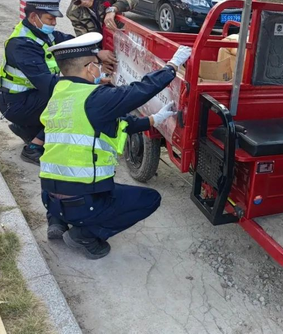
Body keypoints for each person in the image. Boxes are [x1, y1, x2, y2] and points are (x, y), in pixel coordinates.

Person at [40, 32, 192, 259]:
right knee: (150, 199)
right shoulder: (95, 97)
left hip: (49, 196)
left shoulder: (60, 94)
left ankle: (57, 221)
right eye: (98, 64)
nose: (100, 69)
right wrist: (171, 66)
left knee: (65, 187)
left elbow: (114, 124)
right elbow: (138, 91)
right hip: (82, 200)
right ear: (90, 67)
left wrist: (154, 120)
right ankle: (84, 234)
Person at [0, 0, 116, 164]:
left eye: (55, 19)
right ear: (33, 16)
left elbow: (73, 47)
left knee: (70, 89)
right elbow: (48, 84)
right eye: (50, 19)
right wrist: (90, 82)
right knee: (71, 100)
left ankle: (28, 129)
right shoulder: (21, 44)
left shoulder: (44, 33)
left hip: (30, 98)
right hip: (16, 103)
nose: (54, 23)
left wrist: (97, 53)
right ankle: (33, 148)